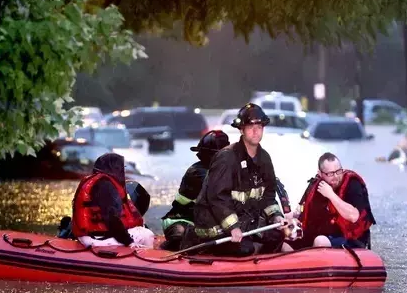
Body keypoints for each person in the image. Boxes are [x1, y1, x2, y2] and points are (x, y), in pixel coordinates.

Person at [184, 103, 286, 256]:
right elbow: (217, 198)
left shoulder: (264, 158)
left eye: (259, 127)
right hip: (214, 225)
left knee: (276, 237)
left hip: (244, 222)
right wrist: (233, 227)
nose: (255, 131)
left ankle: (259, 264)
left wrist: (276, 216)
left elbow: (268, 195)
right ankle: (199, 244)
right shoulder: (226, 158)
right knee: (245, 249)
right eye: (250, 127)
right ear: (241, 129)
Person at [159, 130, 230, 251]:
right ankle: (165, 251)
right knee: (181, 236)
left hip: (206, 224)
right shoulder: (198, 173)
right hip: (182, 220)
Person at [70, 153, 154, 249]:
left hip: (90, 235)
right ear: (115, 169)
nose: (123, 171)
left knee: (139, 230)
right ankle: (143, 261)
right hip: (98, 238)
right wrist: (129, 242)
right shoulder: (106, 186)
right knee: (148, 235)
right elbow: (111, 219)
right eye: (121, 168)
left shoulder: (98, 182)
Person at [292, 152, 375, 249]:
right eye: (330, 173)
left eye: (338, 171)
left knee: (320, 241)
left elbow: (353, 216)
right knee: (286, 243)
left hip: (349, 238)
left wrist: (331, 195)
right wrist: (284, 218)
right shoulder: (314, 185)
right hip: (321, 233)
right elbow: (300, 213)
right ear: (320, 174)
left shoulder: (353, 184)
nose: (336, 176)